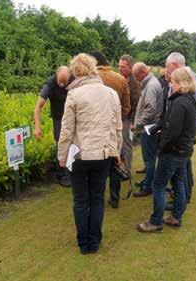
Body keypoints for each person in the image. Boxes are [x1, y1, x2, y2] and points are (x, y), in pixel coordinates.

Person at [57, 53, 123, 255]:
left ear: (76, 72)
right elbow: (117, 127)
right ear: (93, 69)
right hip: (102, 155)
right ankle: (94, 241)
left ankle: (83, 243)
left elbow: (66, 130)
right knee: (96, 198)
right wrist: (117, 152)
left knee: (80, 200)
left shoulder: (74, 95)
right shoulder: (111, 93)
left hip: (79, 156)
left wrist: (61, 156)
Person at [137, 67, 196, 232]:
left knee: (158, 185)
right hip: (184, 150)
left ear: (180, 83)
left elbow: (172, 131)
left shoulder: (180, 102)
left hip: (173, 151)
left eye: (172, 82)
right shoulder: (189, 99)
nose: (170, 85)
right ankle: (176, 216)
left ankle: (156, 221)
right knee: (178, 182)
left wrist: (161, 146)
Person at [89, 51, 131, 208]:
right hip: (114, 127)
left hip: (94, 128)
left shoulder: (90, 78)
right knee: (115, 162)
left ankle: (96, 197)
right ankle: (114, 198)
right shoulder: (120, 78)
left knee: (96, 164)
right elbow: (127, 106)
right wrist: (117, 120)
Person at [163, 52, 196, 206]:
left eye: (168, 66)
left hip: (185, 131)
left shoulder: (191, 81)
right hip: (186, 129)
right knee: (184, 163)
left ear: (176, 65)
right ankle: (183, 193)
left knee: (183, 163)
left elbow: (193, 111)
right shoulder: (190, 78)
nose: (166, 69)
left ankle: (184, 197)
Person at [34, 66, 73, 187]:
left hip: (72, 117)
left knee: (74, 144)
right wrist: (37, 127)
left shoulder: (75, 80)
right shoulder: (50, 84)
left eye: (64, 82)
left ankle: (72, 172)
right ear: (56, 76)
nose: (62, 85)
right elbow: (38, 107)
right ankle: (61, 174)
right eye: (59, 81)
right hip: (58, 118)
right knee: (60, 144)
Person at [132, 62, 163, 197]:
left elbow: (150, 110)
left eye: (136, 75)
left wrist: (138, 124)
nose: (135, 78)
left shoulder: (150, 86)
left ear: (142, 73)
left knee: (149, 159)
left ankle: (148, 187)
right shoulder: (151, 82)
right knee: (149, 158)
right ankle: (148, 181)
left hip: (149, 128)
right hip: (150, 127)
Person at [118, 54, 141, 176]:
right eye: (119, 66)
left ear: (130, 67)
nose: (120, 69)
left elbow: (137, 104)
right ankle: (119, 167)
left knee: (127, 144)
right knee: (119, 143)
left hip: (128, 119)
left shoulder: (134, 82)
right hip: (119, 117)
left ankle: (126, 170)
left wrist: (132, 122)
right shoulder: (119, 78)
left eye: (123, 67)